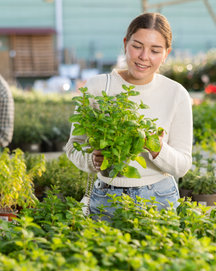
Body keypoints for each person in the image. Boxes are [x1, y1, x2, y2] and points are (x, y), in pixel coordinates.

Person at [65, 12, 193, 218]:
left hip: (159, 198)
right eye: (137, 46)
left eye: (155, 50)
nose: (144, 56)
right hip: (107, 198)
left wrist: (158, 149)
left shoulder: (176, 94)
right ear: (126, 43)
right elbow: (73, 146)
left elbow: (183, 165)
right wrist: (92, 160)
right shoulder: (97, 87)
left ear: (166, 53)